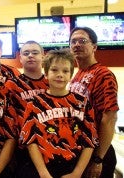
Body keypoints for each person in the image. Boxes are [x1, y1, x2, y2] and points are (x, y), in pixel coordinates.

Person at [19, 49, 98, 178]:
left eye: (65, 71)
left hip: (73, 165)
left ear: (71, 75)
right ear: (46, 73)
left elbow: (90, 141)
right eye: (54, 70)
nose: (60, 75)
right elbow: (30, 141)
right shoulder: (34, 103)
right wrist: (43, 173)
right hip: (43, 166)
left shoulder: (82, 102)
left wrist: (77, 173)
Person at [68, 26, 119, 178]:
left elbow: (109, 119)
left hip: (98, 153)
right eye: (73, 41)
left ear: (94, 47)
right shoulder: (77, 75)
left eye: (83, 41)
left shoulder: (103, 74)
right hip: (83, 150)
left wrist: (98, 159)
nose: (77, 45)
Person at [4, 41, 49, 177]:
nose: (30, 56)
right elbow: (6, 121)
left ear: (43, 56)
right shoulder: (11, 85)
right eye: (26, 53)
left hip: (49, 146)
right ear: (20, 58)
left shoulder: (51, 83)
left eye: (35, 53)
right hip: (21, 150)